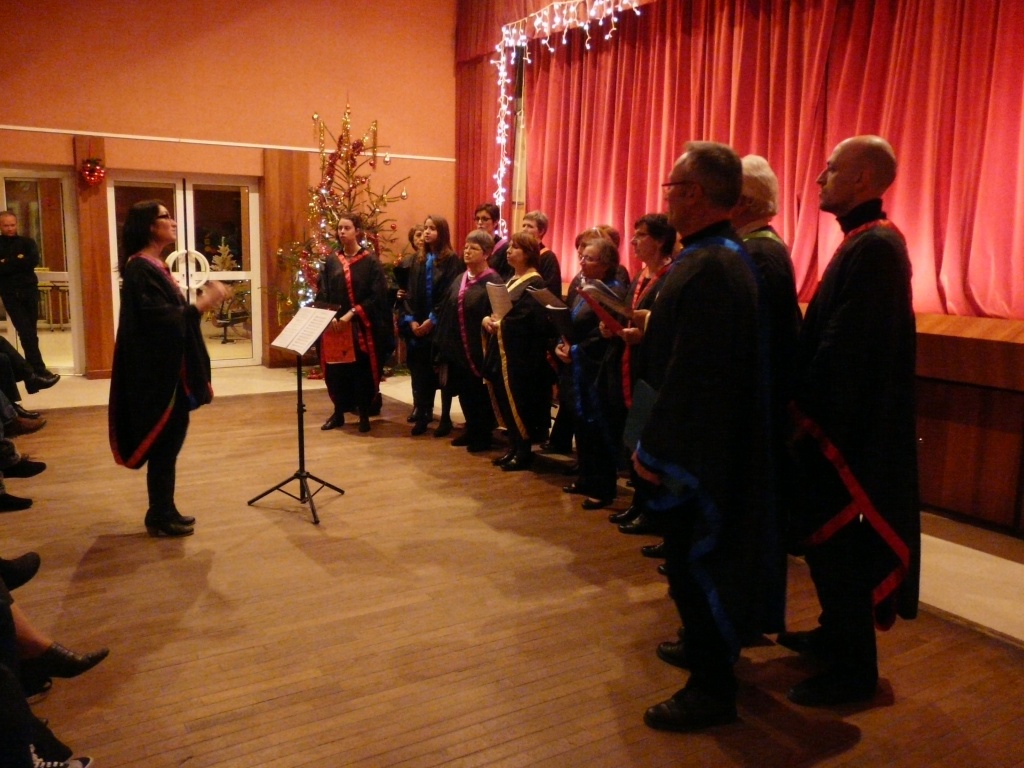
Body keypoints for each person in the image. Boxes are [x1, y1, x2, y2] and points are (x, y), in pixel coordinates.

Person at [632, 142, 781, 732]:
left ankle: (712, 689)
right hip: (702, 446)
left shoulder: (713, 265)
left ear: (693, 194)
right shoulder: (712, 256)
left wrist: (653, 453)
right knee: (688, 567)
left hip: (698, 457)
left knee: (696, 566)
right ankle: (702, 650)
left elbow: (696, 377)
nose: (666, 198)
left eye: (671, 188)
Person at [779, 135, 919, 708]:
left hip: (842, 434)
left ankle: (855, 668)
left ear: (862, 179)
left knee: (837, 547)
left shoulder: (876, 246)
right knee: (825, 546)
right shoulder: (864, 240)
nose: (819, 178)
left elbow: (847, 348)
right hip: (830, 426)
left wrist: (802, 414)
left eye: (832, 169)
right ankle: (835, 633)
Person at [109, 201, 230, 537]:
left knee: (170, 443)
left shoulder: (153, 266)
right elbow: (158, 320)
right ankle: (159, 514)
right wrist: (202, 303)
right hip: (158, 375)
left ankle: (164, 509)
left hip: (169, 372)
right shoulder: (140, 268)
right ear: (150, 226)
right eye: (165, 217)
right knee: (165, 444)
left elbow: (169, 316)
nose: (173, 222)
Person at [609, 213, 678, 535]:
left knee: (647, 440)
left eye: (641, 235)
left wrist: (643, 334)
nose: (634, 241)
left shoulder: (670, 276)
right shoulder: (639, 276)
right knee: (632, 437)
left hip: (653, 370)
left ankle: (653, 511)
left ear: (660, 241)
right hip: (631, 364)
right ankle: (638, 502)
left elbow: (670, 328)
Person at [556, 237, 628, 509]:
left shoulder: (613, 292)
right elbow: (572, 322)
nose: (582, 262)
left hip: (597, 370)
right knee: (582, 427)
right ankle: (586, 477)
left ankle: (602, 487)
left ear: (606, 263)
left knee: (598, 430)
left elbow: (604, 335)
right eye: (582, 257)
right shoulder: (584, 285)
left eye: (589, 258)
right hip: (578, 366)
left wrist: (575, 349)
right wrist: (562, 343)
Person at [482, 232, 554, 471]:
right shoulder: (513, 279)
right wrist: (490, 319)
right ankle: (513, 446)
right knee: (506, 401)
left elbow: (526, 318)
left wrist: (501, 324)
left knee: (519, 403)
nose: (509, 251)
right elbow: (504, 310)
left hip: (522, 356)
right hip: (507, 351)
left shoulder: (535, 282)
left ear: (528, 254)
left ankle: (523, 451)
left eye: (515, 248)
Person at [316, 213, 393, 434]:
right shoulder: (332, 261)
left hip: (360, 327)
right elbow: (323, 292)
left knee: (360, 371)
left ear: (357, 231)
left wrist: (352, 314)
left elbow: (377, 296)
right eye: (339, 228)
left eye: (347, 228)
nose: (342, 232)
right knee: (337, 372)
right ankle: (338, 413)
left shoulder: (370, 261)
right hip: (335, 327)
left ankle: (364, 414)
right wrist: (331, 316)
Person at [434, 231, 503, 451]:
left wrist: (488, 321)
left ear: (486, 253)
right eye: (465, 247)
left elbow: (500, 314)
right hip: (458, 350)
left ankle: (483, 435)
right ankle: (471, 429)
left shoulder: (493, 281)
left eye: (473, 248)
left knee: (479, 394)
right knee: (465, 391)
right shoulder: (461, 278)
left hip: (480, 350)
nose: (467, 251)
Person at [400, 215, 465, 436]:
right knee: (421, 373)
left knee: (442, 374)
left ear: (442, 233)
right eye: (426, 228)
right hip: (418, 323)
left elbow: (449, 294)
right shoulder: (418, 259)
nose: (427, 232)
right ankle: (423, 414)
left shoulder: (451, 260)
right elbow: (409, 292)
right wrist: (412, 319)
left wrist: (432, 320)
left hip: (440, 325)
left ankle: (445, 417)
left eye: (432, 228)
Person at [0, 211, 58, 379]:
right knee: (25, 332)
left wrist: (7, 262)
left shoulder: (27, 242)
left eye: (12, 225)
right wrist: (18, 261)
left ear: (16, 224)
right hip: (10, 294)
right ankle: (37, 370)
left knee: (31, 333)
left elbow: (32, 261)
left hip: (29, 292)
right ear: (0, 226)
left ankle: (33, 370)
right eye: (6, 225)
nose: (10, 228)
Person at [521, 211, 563, 299]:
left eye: (529, 226)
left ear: (541, 231)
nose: (524, 229)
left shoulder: (548, 257)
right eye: (523, 225)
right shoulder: (519, 254)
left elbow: (552, 291)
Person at [475, 203, 510, 280]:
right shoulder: (471, 245)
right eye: (477, 219)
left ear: (495, 222)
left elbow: (506, 276)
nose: (480, 222)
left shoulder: (505, 248)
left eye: (485, 219)